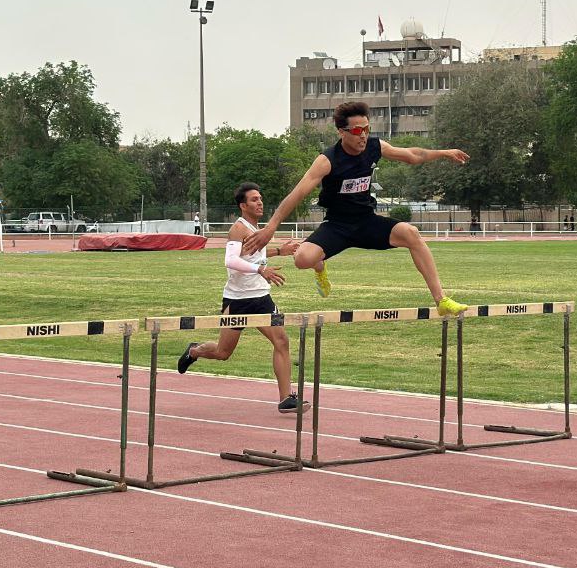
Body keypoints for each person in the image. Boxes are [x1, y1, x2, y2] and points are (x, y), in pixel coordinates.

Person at [243, 100, 470, 317]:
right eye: (356, 131)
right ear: (341, 132)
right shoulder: (327, 160)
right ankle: (320, 267)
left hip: (366, 221)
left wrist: (444, 153)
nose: (362, 135)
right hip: (337, 225)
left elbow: (412, 155)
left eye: (366, 129)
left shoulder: (374, 146)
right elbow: (297, 194)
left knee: (411, 233)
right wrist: (270, 228)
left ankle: (441, 300)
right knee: (302, 260)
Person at [177, 183, 306, 413]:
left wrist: (279, 251)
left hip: (261, 298)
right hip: (237, 300)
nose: (260, 203)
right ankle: (194, 351)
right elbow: (231, 261)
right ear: (243, 205)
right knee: (222, 353)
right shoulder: (238, 228)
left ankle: (286, 397)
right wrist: (260, 271)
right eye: (254, 199)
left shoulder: (259, 228)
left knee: (282, 341)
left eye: (261, 198)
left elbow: (255, 255)